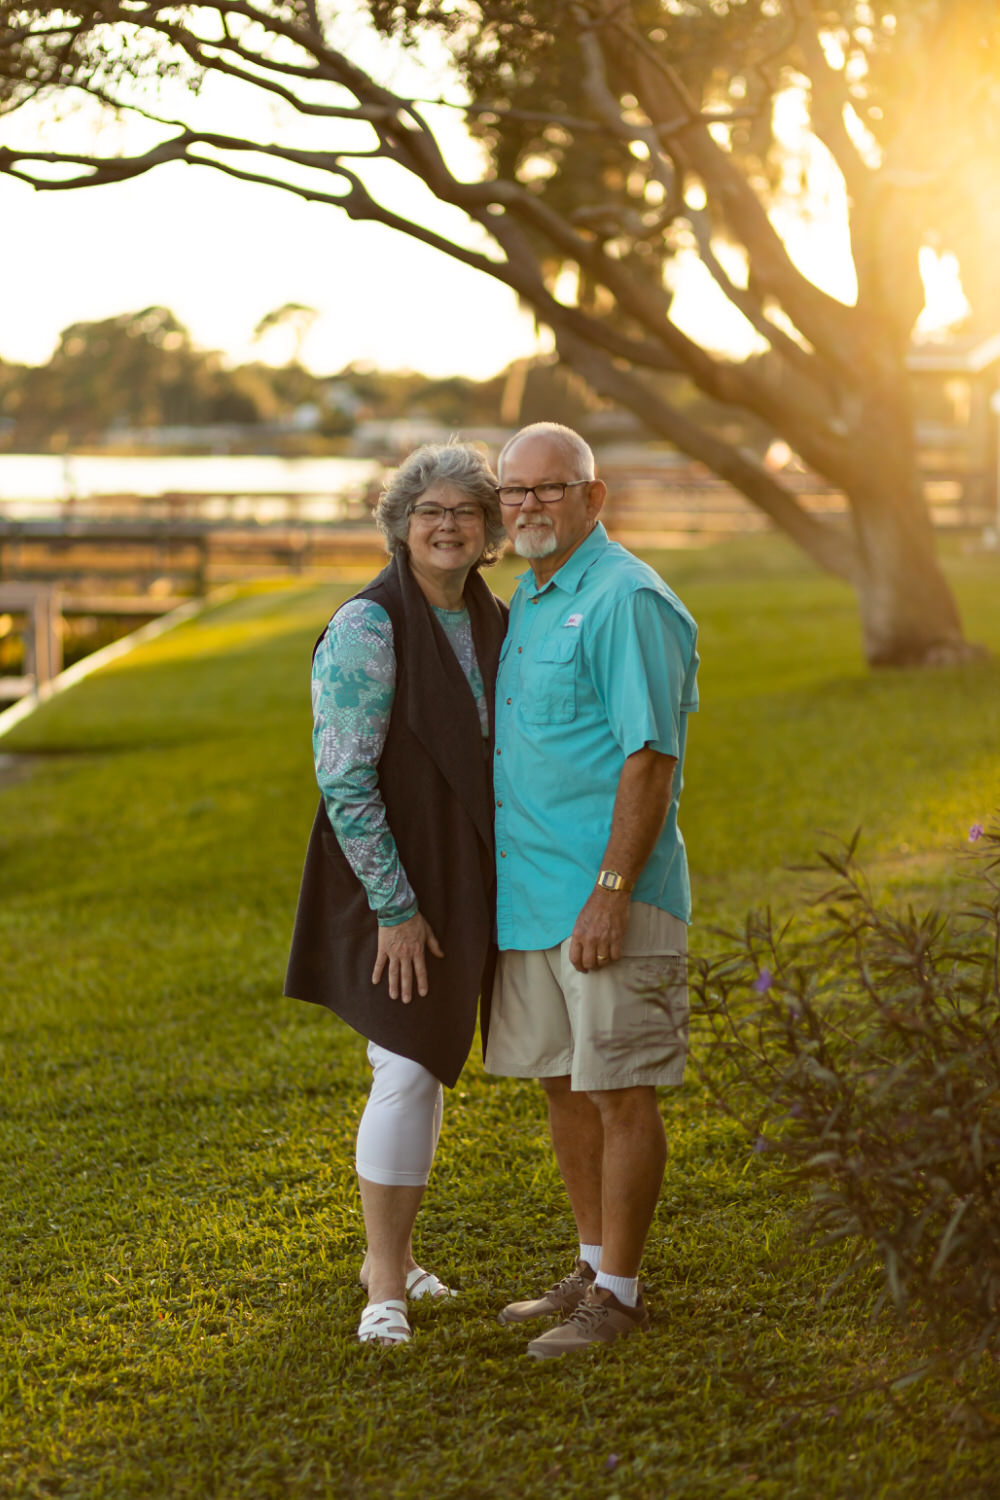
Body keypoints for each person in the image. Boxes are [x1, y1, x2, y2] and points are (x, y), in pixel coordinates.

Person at [285, 443, 508, 1347]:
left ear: (491, 533)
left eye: (465, 512)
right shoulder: (369, 626)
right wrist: (395, 905)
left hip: (469, 870)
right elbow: (342, 777)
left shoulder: (498, 619)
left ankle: (400, 1256)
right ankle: (386, 1284)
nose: (448, 525)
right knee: (408, 1061)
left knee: (426, 1054)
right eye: (430, 512)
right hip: (393, 878)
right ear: (401, 527)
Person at [486, 421, 699, 1359]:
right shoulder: (529, 600)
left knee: (621, 1090)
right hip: (530, 899)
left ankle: (619, 1293)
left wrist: (612, 890)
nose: (530, 505)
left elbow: (650, 760)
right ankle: (588, 1261)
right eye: (515, 492)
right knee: (563, 1083)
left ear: (593, 497)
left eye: (551, 488)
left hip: (607, 896)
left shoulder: (628, 598)